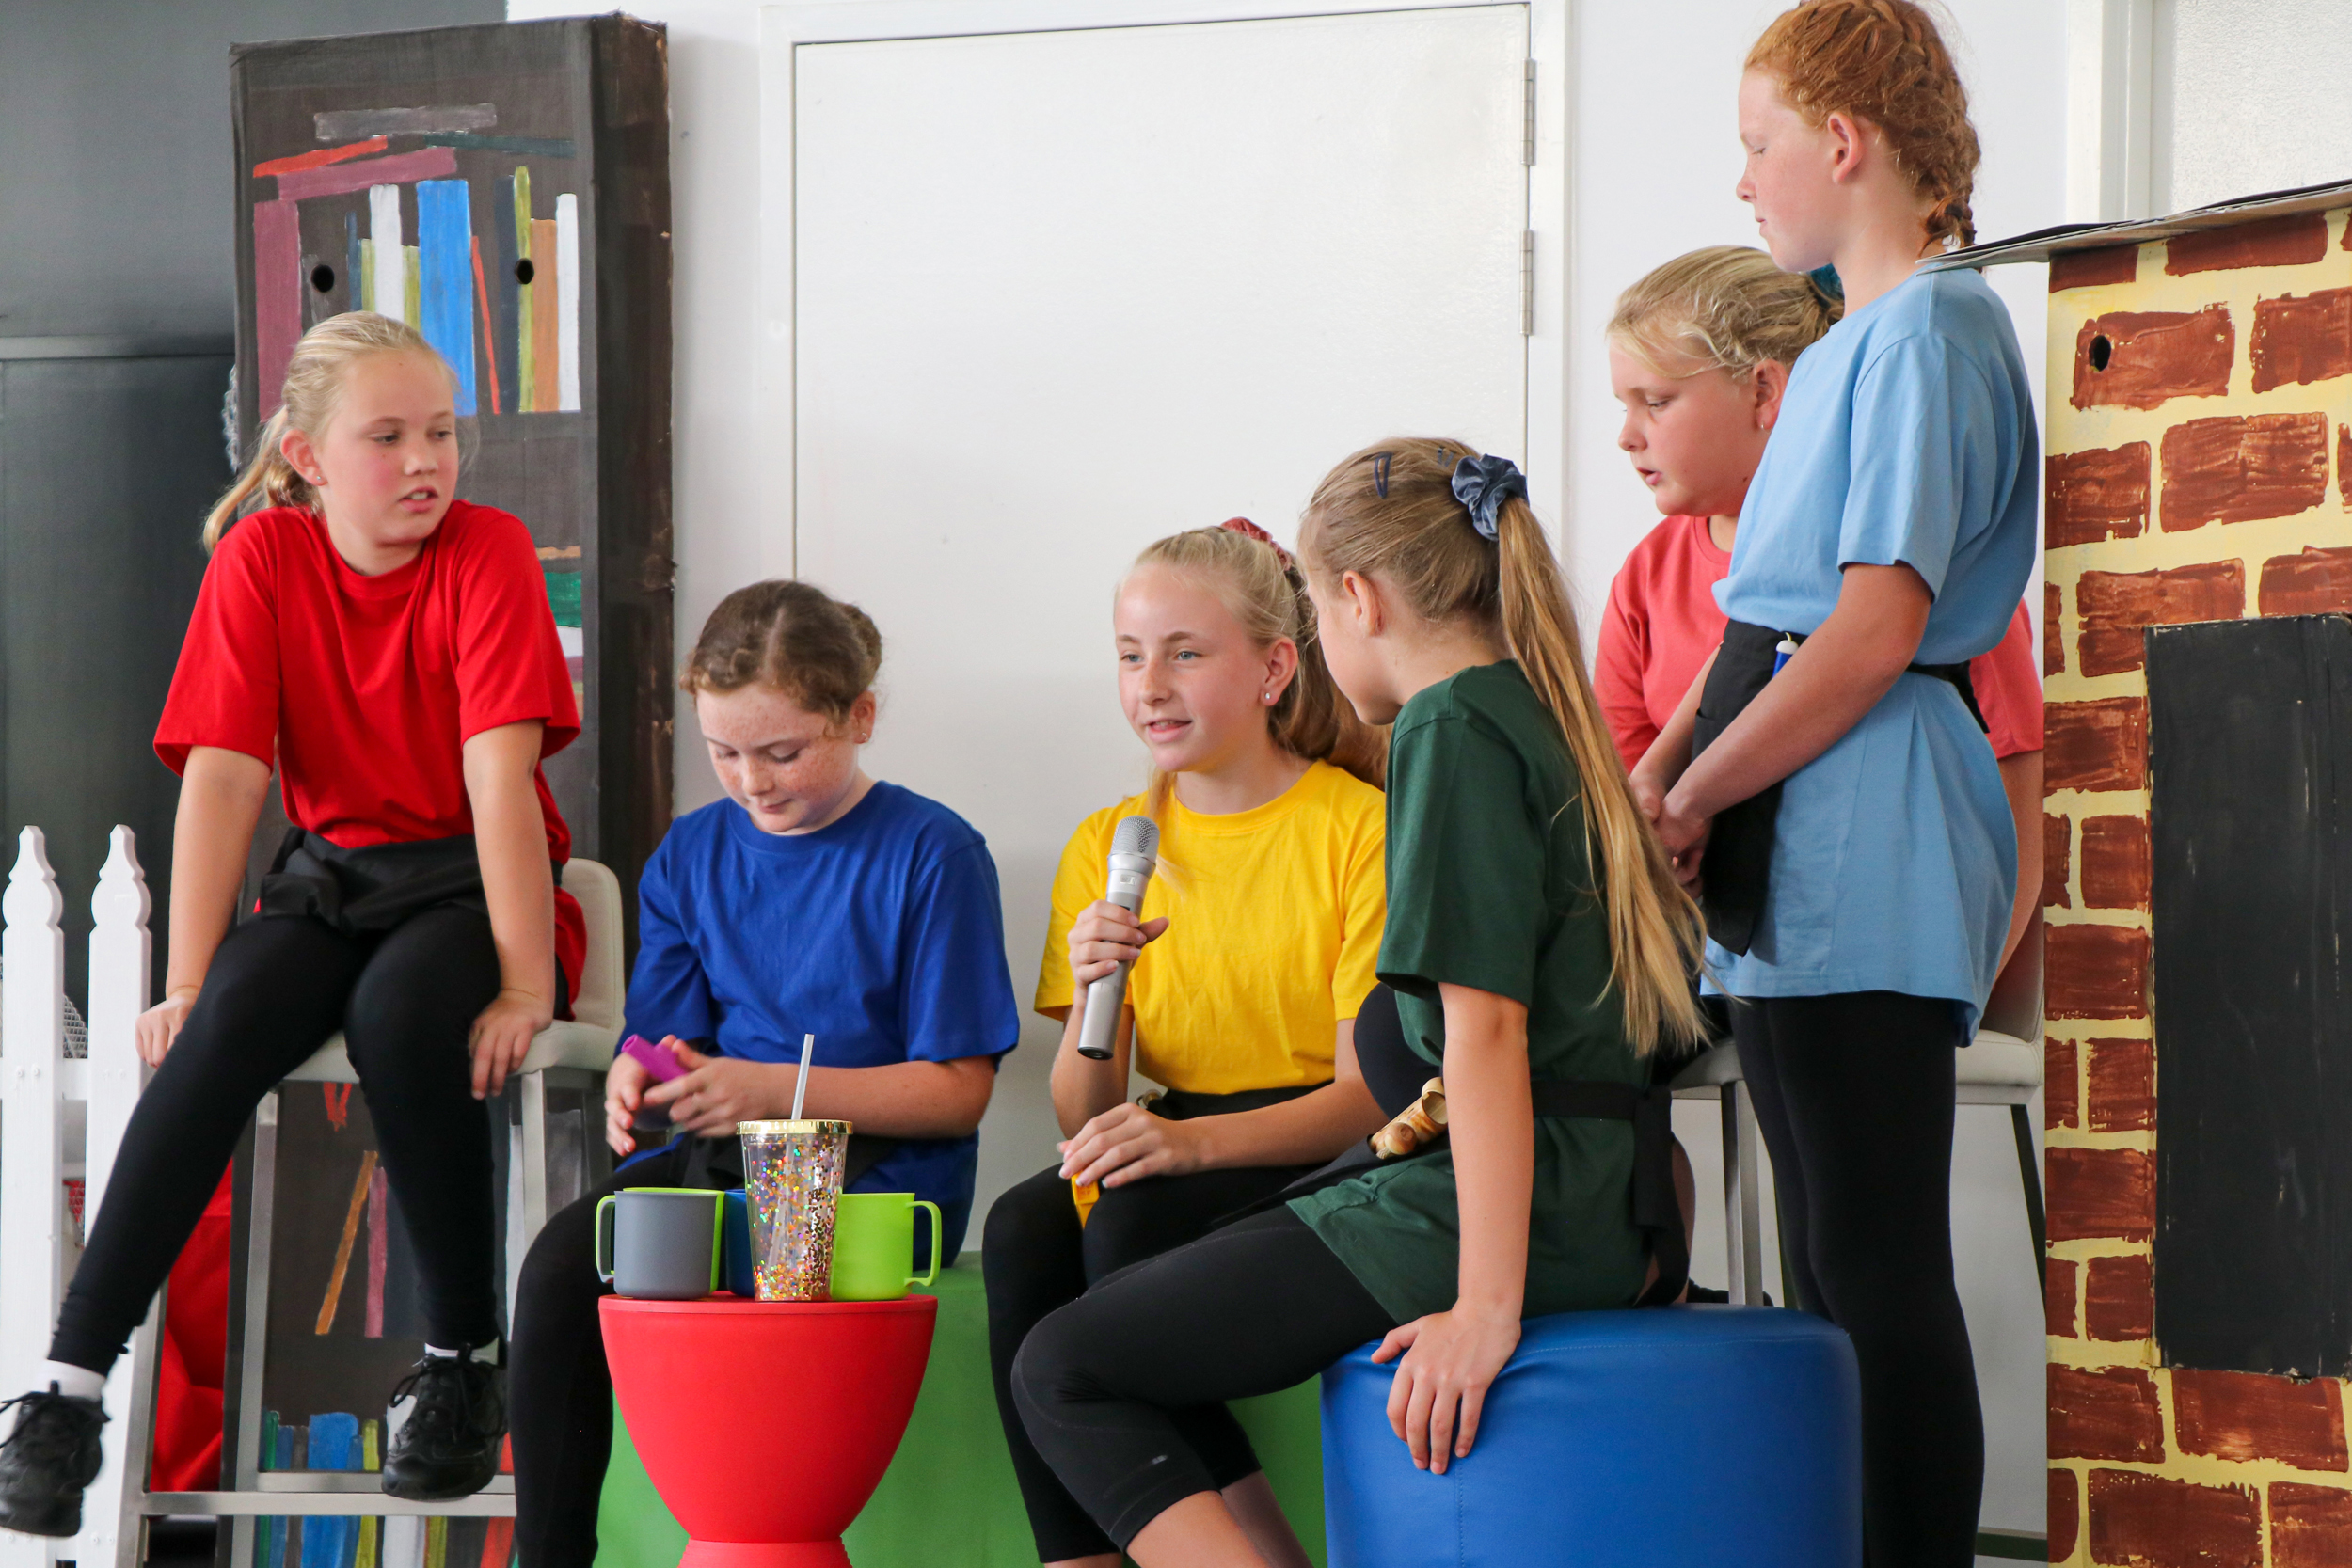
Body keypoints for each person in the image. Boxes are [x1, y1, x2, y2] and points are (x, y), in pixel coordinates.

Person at [1009, 442, 1710, 1567]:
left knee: (1065, 1368)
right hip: (1584, 1189)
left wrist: (1484, 1308)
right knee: (1097, 1309)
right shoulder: (1528, 706)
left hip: (1525, 1206)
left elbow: (1487, 1031)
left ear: (1358, 600)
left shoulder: (1449, 726)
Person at [0, 311, 583, 1530]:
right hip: (334, 881)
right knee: (227, 1019)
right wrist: (186, 978)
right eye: (389, 436)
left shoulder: (486, 550)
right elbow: (224, 778)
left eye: (441, 433)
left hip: (469, 885)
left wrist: (526, 982)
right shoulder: (262, 558)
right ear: (308, 457)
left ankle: (460, 1363)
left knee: (399, 1014)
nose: (426, 461)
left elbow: (500, 785)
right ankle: (67, 1387)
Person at [1628, 4, 2037, 1560]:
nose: (1745, 182)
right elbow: (1763, 615)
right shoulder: (1849, 343)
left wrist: (1694, 794)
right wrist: (1665, 776)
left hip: (1871, 825)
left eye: (1759, 145)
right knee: (1822, 1272)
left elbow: (1869, 630)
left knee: (1876, 1268)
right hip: (1796, 832)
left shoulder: (1933, 331)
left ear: (1845, 143)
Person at [509, 579, 1019, 1568]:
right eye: (725, 752)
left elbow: (958, 1090)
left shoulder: (933, 852)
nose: (752, 781)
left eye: (783, 752)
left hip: (875, 1177)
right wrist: (634, 1076)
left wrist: (774, 1088)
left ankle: (769, 1540)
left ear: (858, 716)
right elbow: (664, 1044)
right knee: (563, 1265)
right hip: (722, 1162)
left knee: (774, 1268)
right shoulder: (692, 851)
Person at [984, 520, 1391, 1568]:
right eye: (1130, 655)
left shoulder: (1356, 828)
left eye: (1185, 653)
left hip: (1323, 1141)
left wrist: (1188, 1145)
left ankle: (1253, 1552)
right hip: (1172, 1137)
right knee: (1026, 1227)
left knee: (1129, 1222)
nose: (1151, 686)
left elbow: (1368, 1097)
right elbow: (1084, 1111)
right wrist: (1098, 985)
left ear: (1273, 668)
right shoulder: (1108, 842)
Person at [1599, 244, 2043, 975]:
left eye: (1657, 401)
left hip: (1855, 945)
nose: (1627, 436)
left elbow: (2013, 793)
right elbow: (1639, 795)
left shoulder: (1908, 558)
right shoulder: (1647, 575)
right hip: (1701, 953)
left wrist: (1973, 983)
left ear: (1765, 393)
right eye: (1625, 405)